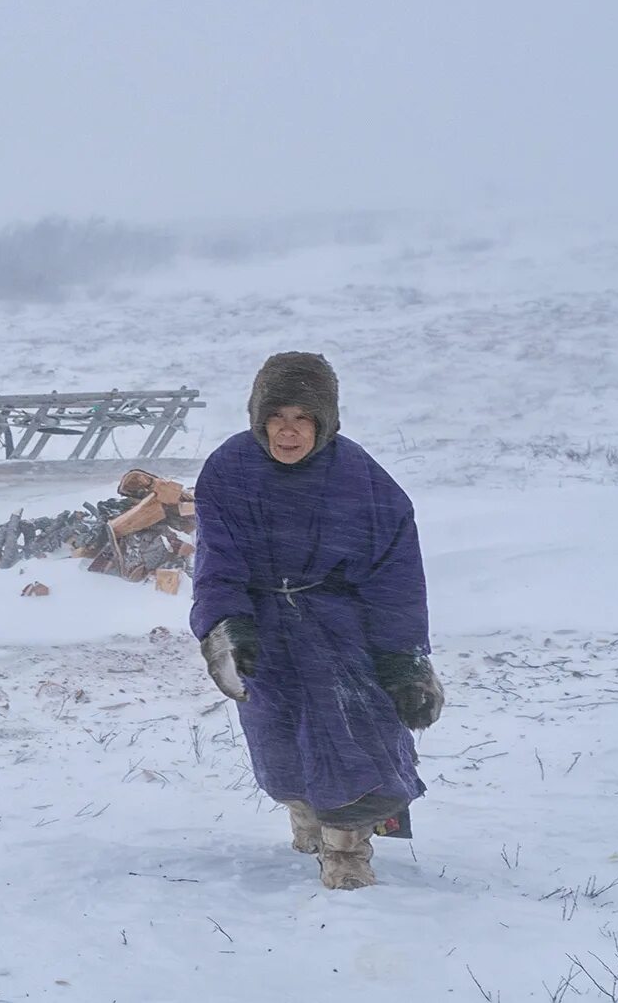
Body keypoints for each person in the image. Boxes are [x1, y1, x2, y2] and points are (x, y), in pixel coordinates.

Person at [190, 352, 444, 890]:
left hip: (340, 630)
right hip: (264, 627)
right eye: (276, 416)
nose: (288, 431)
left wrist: (404, 660)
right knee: (278, 737)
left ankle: (347, 852)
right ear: (258, 419)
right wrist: (227, 626)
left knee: (357, 739)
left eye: (303, 417)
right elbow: (217, 558)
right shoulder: (230, 469)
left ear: (324, 420)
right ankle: (308, 819)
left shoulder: (360, 479)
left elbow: (395, 576)